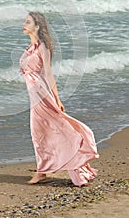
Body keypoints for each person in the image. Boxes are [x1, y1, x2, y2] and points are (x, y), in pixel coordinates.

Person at [19, 11, 99, 186]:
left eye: (27, 22)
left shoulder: (42, 48)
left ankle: (44, 172)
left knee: (46, 132)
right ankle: (63, 169)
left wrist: (57, 98)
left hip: (42, 96)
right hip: (35, 95)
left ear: (37, 26)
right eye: (24, 22)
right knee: (43, 133)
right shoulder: (30, 48)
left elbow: (48, 74)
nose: (23, 24)